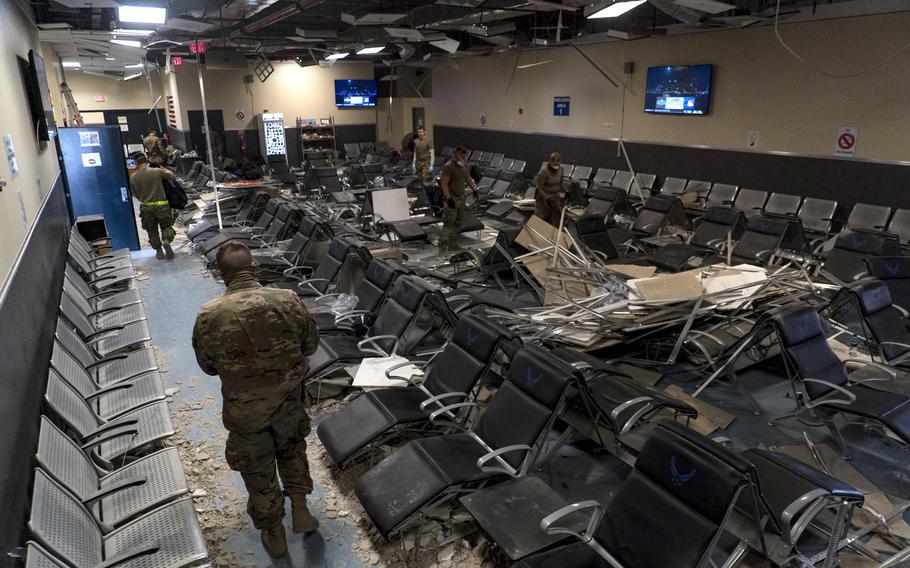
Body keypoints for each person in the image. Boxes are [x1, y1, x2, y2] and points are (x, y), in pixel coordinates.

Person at [192, 242, 320, 558]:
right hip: (289, 401)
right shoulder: (288, 300)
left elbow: (208, 367)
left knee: (258, 471)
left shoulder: (210, 315)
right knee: (292, 451)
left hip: (246, 413)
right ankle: (301, 510)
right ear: (254, 266)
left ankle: (274, 534)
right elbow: (311, 345)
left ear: (222, 275)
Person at [129, 155, 176, 259]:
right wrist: (164, 169)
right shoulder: (156, 171)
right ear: (147, 161)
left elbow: (134, 194)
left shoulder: (133, 177)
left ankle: (159, 252)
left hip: (146, 207)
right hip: (162, 205)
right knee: (166, 227)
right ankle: (166, 241)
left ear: (136, 163)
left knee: (152, 230)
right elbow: (173, 177)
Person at [438, 146, 477, 251]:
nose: (463, 157)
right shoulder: (448, 167)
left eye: (464, 155)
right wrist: (449, 198)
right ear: (455, 155)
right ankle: (442, 245)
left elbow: (468, 178)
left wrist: (474, 189)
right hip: (452, 198)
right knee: (449, 223)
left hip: (461, 198)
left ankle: (453, 244)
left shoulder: (463, 166)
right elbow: (444, 184)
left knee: (458, 223)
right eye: (461, 155)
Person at [533, 152, 566, 226]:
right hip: (543, 197)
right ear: (550, 162)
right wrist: (546, 197)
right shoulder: (544, 171)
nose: (556, 166)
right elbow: (539, 187)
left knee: (558, 217)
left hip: (554, 197)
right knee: (540, 219)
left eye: (558, 164)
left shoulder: (561, 170)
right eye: (554, 164)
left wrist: (565, 192)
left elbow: (560, 183)